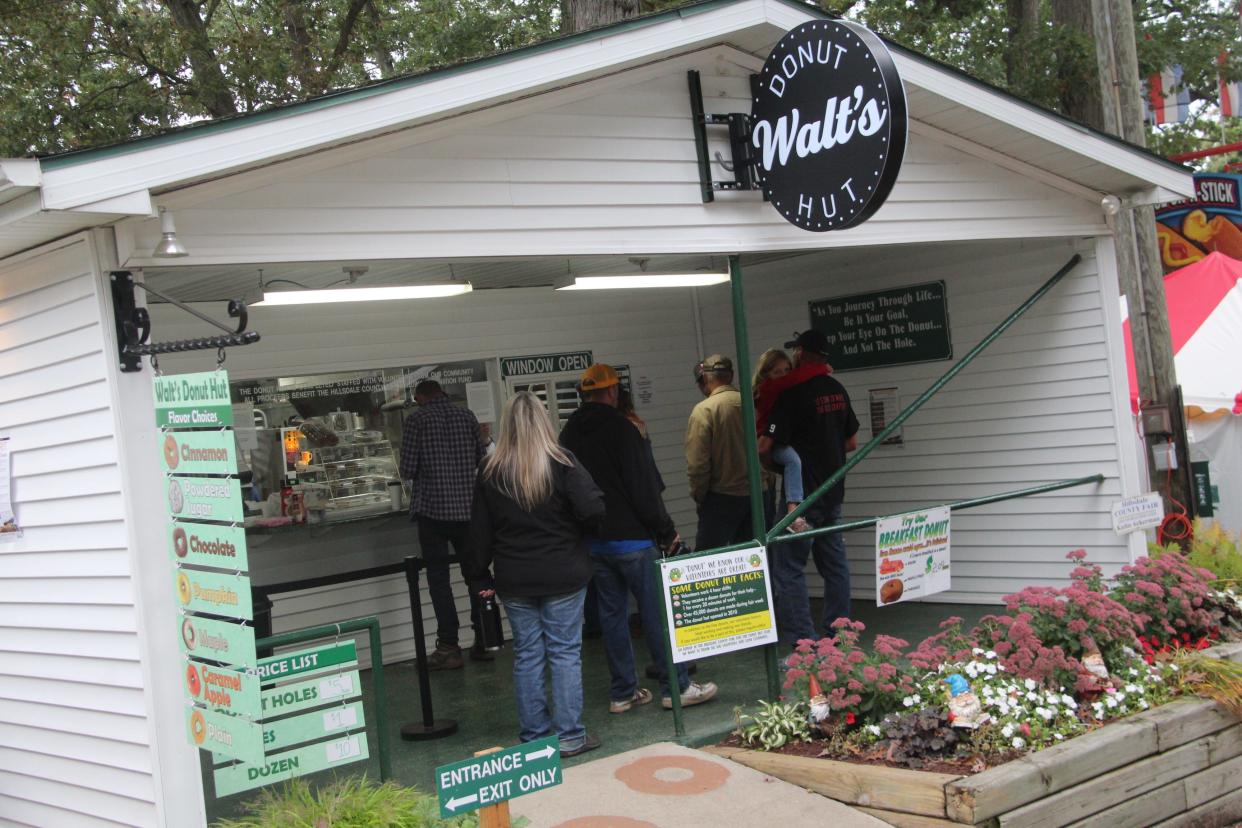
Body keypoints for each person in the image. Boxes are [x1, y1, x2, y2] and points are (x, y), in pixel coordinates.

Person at [560, 363, 718, 712]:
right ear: (613, 391)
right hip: (633, 539)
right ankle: (674, 688)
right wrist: (665, 530)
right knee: (656, 613)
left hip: (593, 543)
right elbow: (642, 486)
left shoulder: (568, 432)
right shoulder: (622, 428)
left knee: (612, 617)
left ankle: (623, 693)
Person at [465, 391, 606, 757]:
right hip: (563, 572)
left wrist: (479, 577)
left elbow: (478, 532)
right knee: (564, 653)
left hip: (515, 578)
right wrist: (577, 532)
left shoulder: (490, 469)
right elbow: (593, 508)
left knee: (527, 655)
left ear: (506, 425)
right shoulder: (562, 461)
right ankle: (570, 737)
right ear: (544, 421)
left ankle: (535, 739)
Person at [759, 331, 859, 644]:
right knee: (835, 567)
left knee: (788, 569)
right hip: (833, 493)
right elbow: (852, 442)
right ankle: (839, 633)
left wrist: (774, 462)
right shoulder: (837, 389)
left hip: (800, 500)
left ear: (800, 353)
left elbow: (765, 445)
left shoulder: (792, 394)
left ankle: (805, 643)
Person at [399, 379, 488, 670]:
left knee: (439, 581)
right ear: (441, 393)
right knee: (475, 575)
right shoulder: (467, 416)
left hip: (433, 514)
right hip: (468, 512)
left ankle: (449, 647)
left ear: (420, 397)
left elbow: (407, 469)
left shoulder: (416, 421)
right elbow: (481, 458)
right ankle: (485, 639)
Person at [753, 349, 832, 534]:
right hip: (771, 439)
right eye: (777, 372)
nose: (783, 375)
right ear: (766, 376)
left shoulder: (783, 388)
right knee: (792, 460)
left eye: (786, 369)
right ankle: (793, 512)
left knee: (794, 462)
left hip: (781, 438)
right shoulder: (770, 388)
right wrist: (821, 368)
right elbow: (795, 378)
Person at [684, 355, 751, 549]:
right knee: (755, 560)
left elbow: (698, 464)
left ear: (704, 379)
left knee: (710, 561)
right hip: (758, 496)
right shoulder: (751, 402)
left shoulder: (704, 410)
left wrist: (699, 495)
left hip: (721, 498)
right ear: (730, 376)